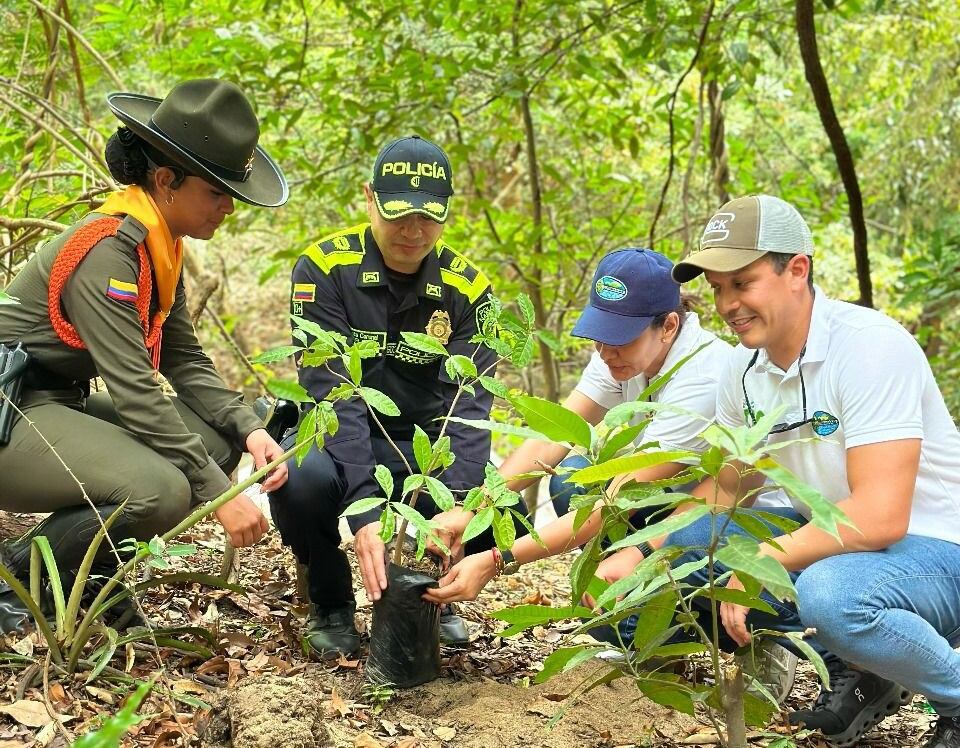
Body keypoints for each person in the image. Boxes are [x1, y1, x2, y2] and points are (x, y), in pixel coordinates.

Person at [597, 194, 960, 748]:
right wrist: (645, 553)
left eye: (742, 283)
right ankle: (865, 670)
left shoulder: (869, 347)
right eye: (718, 288)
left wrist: (758, 566)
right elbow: (730, 485)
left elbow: (881, 517)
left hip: (935, 546)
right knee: (693, 549)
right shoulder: (744, 369)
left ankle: (953, 696)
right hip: (848, 543)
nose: (728, 304)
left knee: (829, 594)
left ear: (796, 270)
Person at [0, 79, 290, 633]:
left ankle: (90, 581)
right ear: (166, 180)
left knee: (215, 436)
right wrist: (219, 494)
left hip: (52, 404)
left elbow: (183, 360)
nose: (229, 208)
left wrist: (248, 429)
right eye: (218, 192)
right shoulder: (110, 254)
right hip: (8, 413)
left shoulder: (158, 247)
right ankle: (18, 571)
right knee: (162, 490)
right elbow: (135, 391)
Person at [269, 135, 511, 659]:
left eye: (429, 217)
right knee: (301, 481)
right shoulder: (324, 270)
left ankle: (432, 598)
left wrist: (459, 506)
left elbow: (469, 410)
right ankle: (328, 599)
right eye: (398, 213)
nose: (413, 231)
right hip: (340, 432)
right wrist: (361, 510)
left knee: (486, 494)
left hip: (426, 440)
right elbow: (334, 392)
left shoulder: (468, 289)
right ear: (368, 197)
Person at [422, 247, 733, 601]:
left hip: (720, 517)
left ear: (668, 327)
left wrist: (497, 560)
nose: (605, 350)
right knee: (573, 478)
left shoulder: (701, 377)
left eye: (620, 337)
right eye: (600, 335)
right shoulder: (619, 354)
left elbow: (620, 497)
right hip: (663, 500)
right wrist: (473, 509)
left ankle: (649, 611)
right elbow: (555, 435)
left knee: (594, 505)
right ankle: (630, 602)